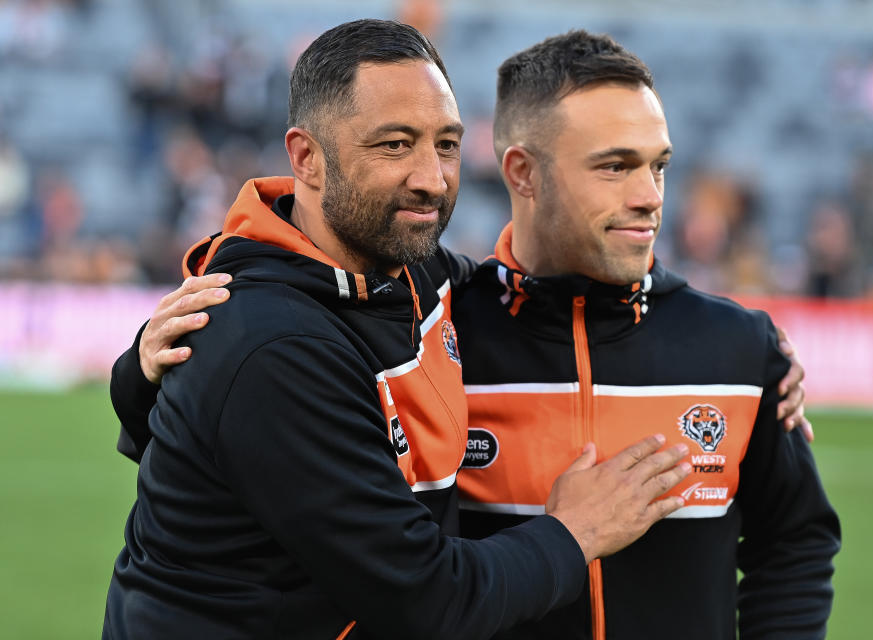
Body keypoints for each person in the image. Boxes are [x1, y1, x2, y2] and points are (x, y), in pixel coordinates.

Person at [102, 20, 695, 640]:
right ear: (307, 158)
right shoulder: (274, 345)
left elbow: (514, 289)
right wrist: (577, 532)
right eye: (394, 145)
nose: (432, 179)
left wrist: (739, 336)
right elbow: (427, 600)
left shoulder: (406, 266)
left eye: (446, 144)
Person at [450, 32, 840, 639]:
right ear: (523, 173)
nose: (650, 197)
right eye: (615, 166)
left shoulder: (741, 348)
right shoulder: (434, 343)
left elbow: (794, 543)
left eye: (659, 165)